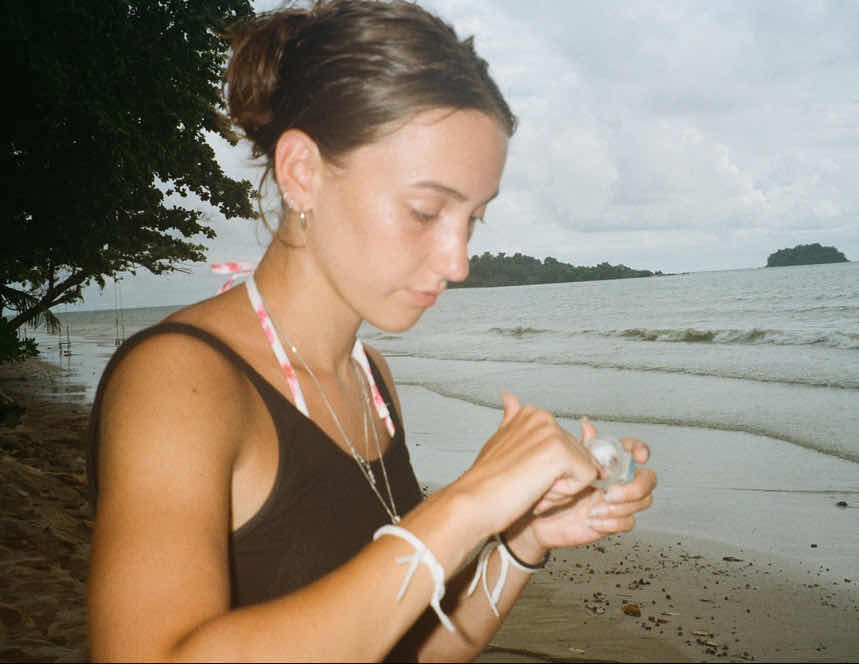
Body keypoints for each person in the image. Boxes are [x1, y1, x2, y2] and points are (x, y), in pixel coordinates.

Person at [86, 1, 657, 660]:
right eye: (425, 211)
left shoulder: (371, 380)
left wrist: (524, 538)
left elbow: (413, 646)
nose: (458, 262)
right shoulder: (179, 382)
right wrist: (470, 501)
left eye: (473, 219)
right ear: (303, 173)